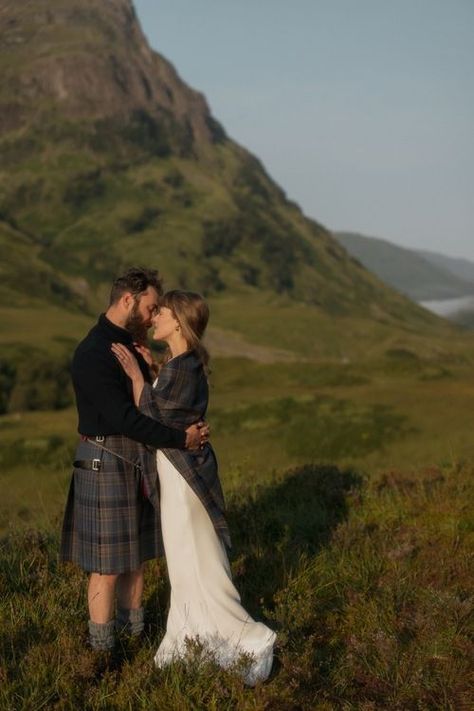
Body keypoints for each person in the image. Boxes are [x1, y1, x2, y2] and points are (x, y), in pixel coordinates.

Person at [112, 290, 276, 685]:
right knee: (187, 559)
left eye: (162, 313)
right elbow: (170, 414)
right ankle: (195, 634)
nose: (154, 319)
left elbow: (156, 422)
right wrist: (152, 373)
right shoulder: (179, 364)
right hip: (178, 473)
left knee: (195, 555)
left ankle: (239, 635)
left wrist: (137, 379)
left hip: (183, 478)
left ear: (179, 322)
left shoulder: (184, 367)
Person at [60, 267, 207, 653]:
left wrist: (153, 373)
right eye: (150, 306)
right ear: (128, 300)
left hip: (134, 459)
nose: (153, 315)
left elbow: (148, 408)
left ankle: (135, 640)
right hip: (104, 460)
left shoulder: (129, 347)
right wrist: (182, 439)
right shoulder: (93, 353)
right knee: (106, 568)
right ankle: (102, 653)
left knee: (136, 560)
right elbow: (126, 419)